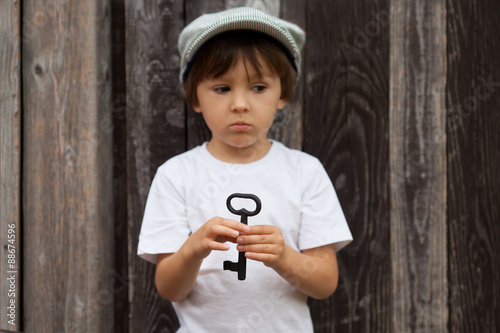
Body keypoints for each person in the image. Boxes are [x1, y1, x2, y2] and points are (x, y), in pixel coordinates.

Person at [137, 7, 353, 333]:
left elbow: (324, 283)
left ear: (283, 94)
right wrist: (193, 250)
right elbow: (170, 288)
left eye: (258, 88)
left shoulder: (305, 172)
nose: (240, 104)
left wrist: (284, 258)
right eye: (222, 89)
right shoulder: (176, 176)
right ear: (195, 97)